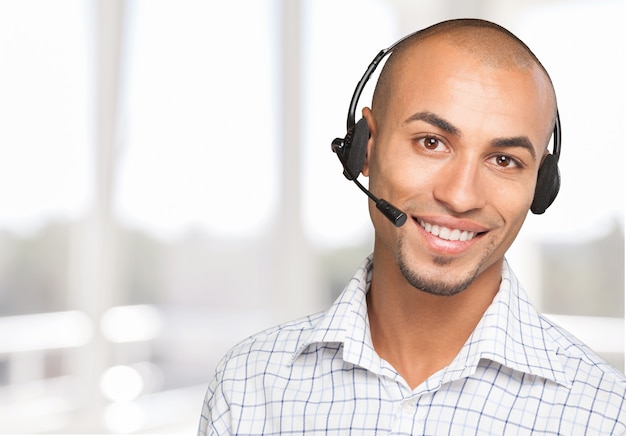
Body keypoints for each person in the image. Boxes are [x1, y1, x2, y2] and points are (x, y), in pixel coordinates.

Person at [198, 18, 626, 435]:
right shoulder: (246, 387)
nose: (461, 196)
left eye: (504, 160)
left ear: (541, 184)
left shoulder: (606, 415)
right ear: (364, 148)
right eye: (431, 142)